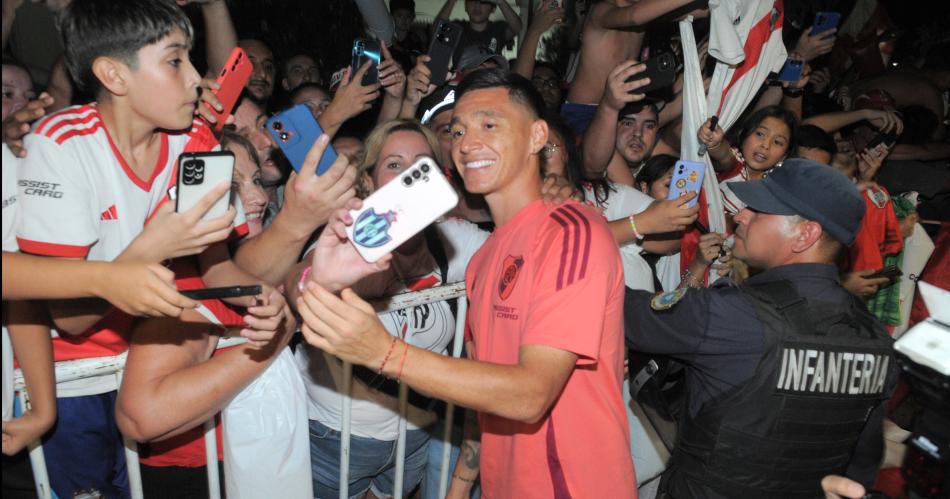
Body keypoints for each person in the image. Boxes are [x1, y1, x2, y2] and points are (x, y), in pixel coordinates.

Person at [296, 68, 636, 498]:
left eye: (489, 125)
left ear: (536, 137)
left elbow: (531, 394)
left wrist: (382, 352)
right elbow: (486, 391)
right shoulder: (483, 258)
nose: (468, 143)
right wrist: (458, 490)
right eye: (457, 130)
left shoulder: (569, 231)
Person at [14, 1, 280, 495]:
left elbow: (216, 268)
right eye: (176, 60)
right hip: (72, 380)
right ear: (114, 75)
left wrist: (261, 298)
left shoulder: (190, 148)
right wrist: (157, 242)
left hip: (149, 371)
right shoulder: (62, 145)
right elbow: (69, 321)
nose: (199, 79)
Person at [624, 159, 899, 498]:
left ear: (805, 234)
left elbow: (614, 308)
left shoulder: (733, 316)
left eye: (760, 209)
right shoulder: (876, 342)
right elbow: (860, 468)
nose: (740, 215)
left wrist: (609, 228)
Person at [289, 119, 488, 499]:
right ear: (370, 180)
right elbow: (302, 283)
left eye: (422, 164)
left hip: (412, 438)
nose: (409, 173)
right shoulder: (345, 238)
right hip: (333, 438)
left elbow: (524, 251)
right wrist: (320, 283)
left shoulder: (452, 241)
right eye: (394, 164)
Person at [562, 0, 696, 136]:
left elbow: (696, 11)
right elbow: (634, 16)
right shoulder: (601, 10)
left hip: (623, 110)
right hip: (584, 112)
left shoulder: (644, 15)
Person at [436, 0, 523, 64]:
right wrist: (451, 1)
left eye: (483, 2)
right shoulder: (458, 28)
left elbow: (517, 27)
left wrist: (501, 2)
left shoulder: (498, 28)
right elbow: (436, 31)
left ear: (493, 9)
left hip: (490, 81)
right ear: (465, 7)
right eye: (472, 1)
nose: (477, 6)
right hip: (461, 82)